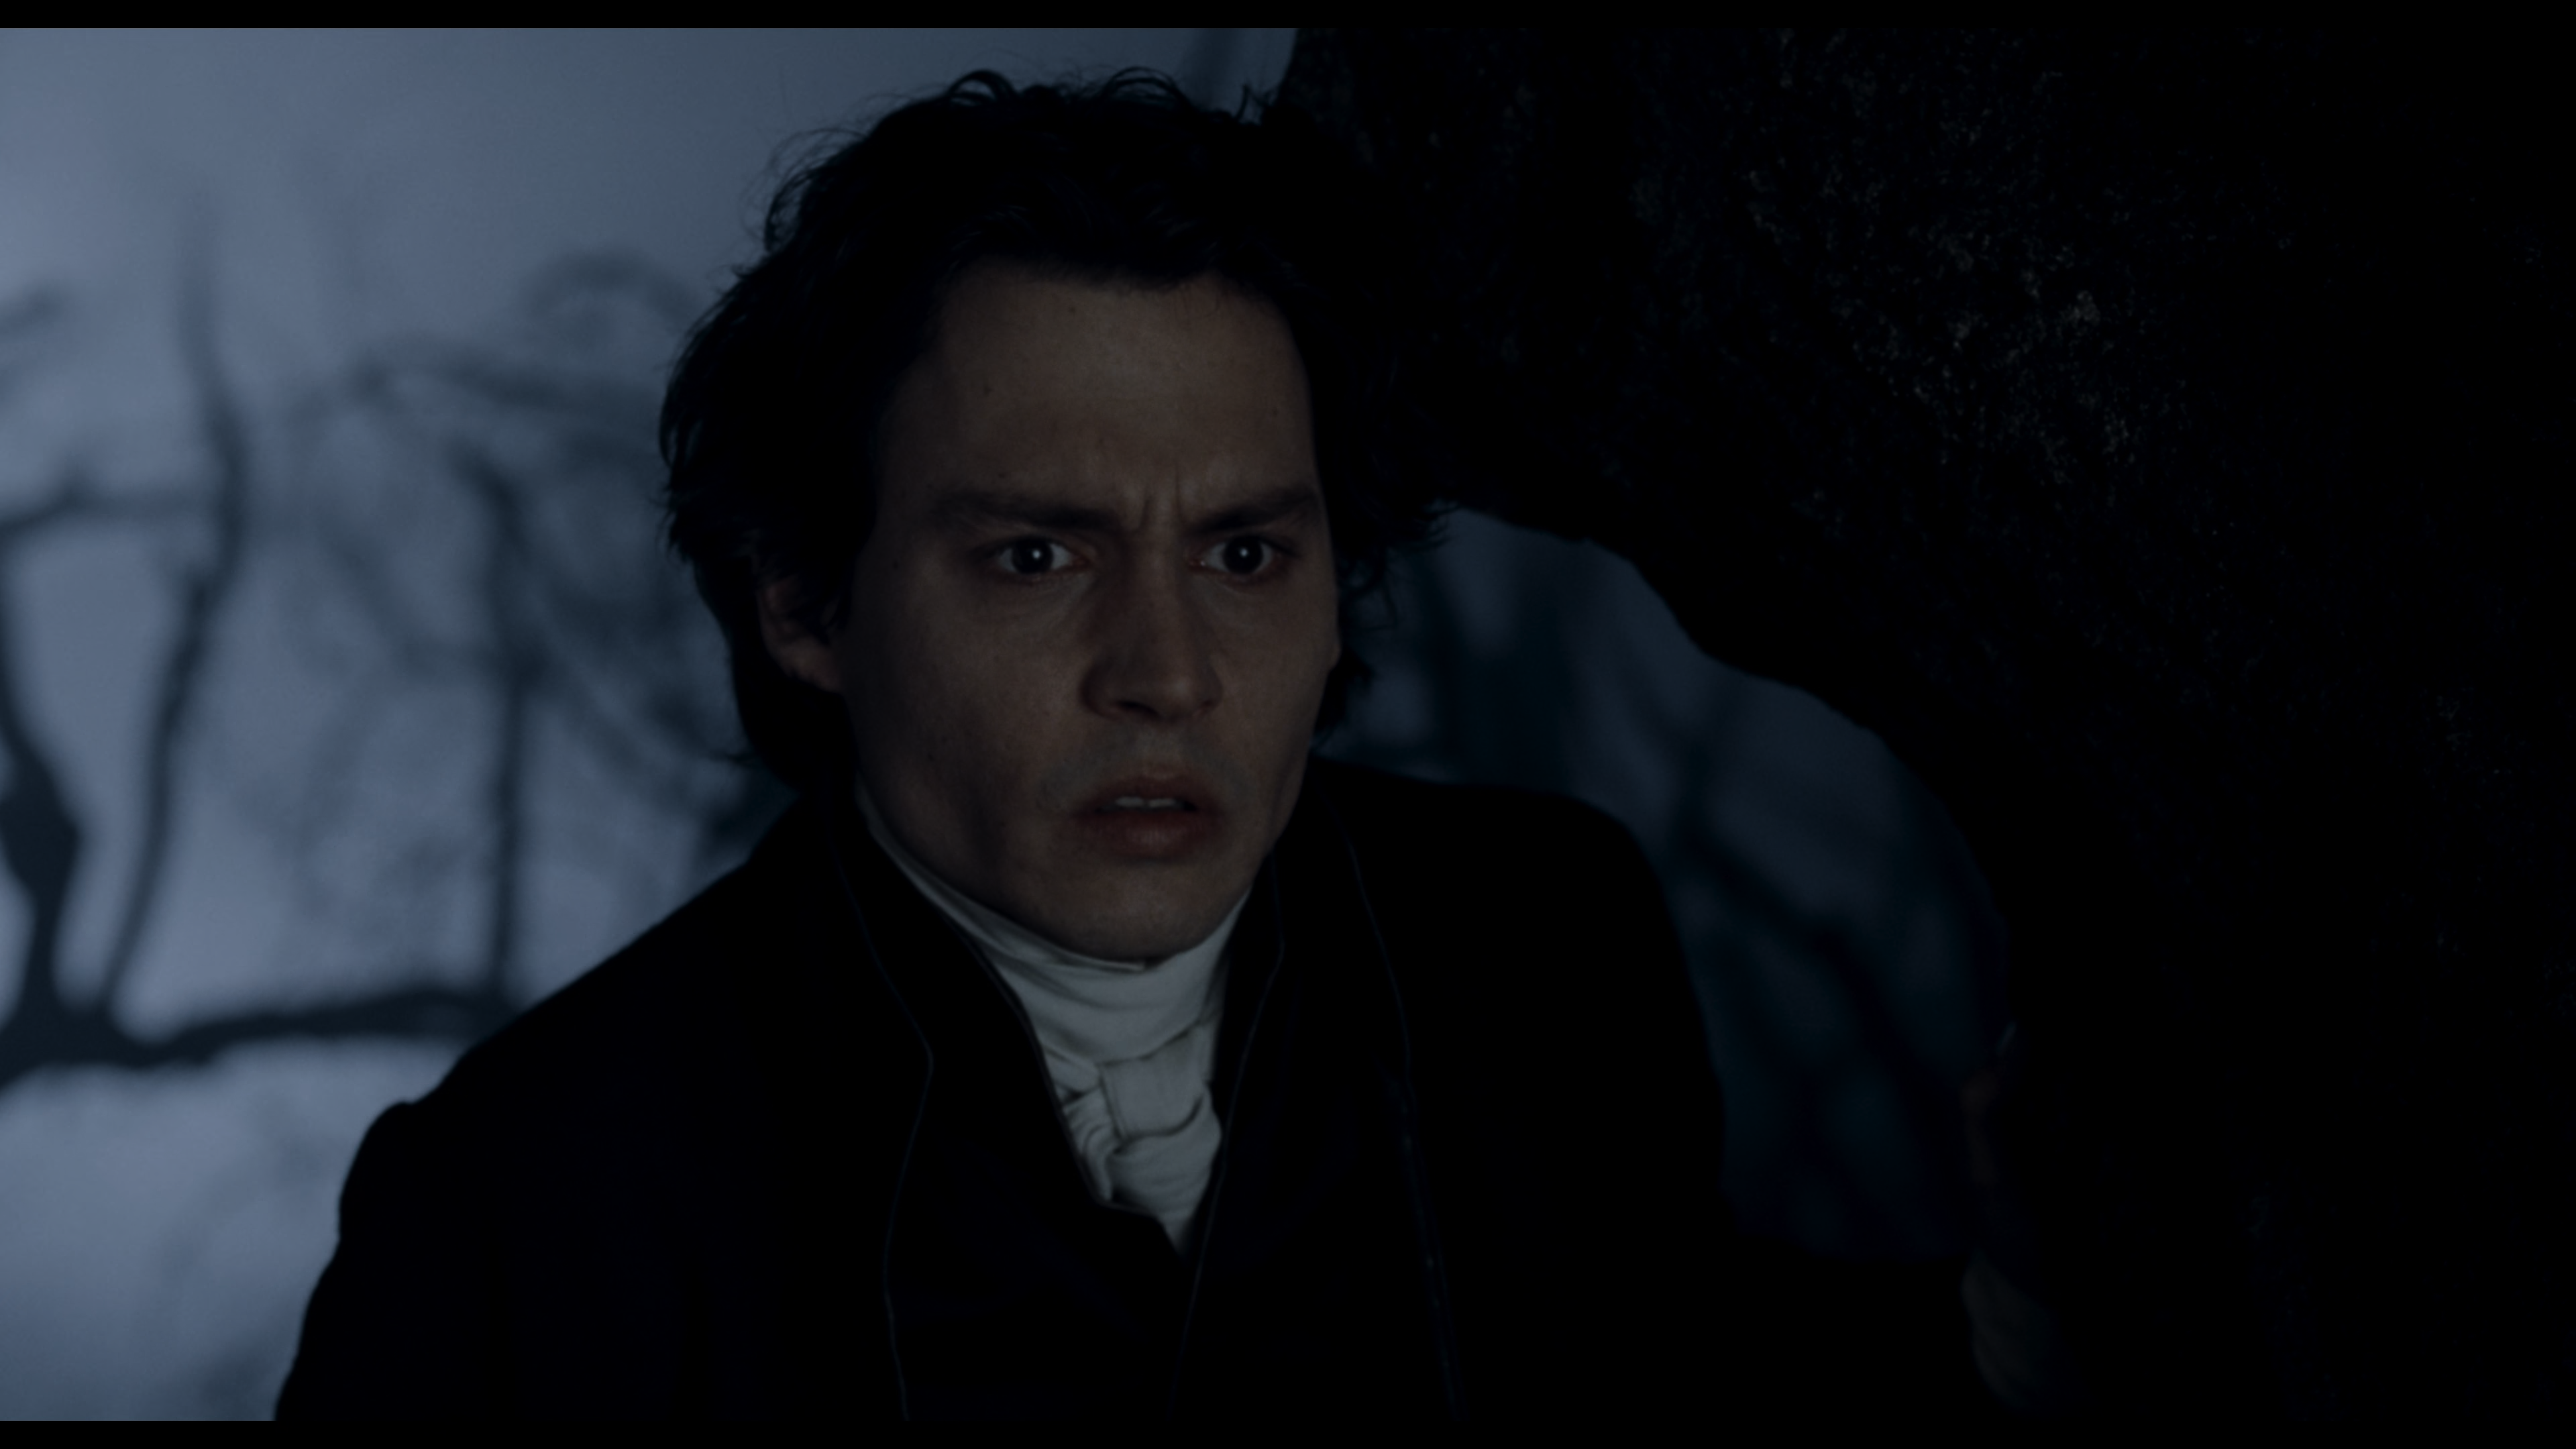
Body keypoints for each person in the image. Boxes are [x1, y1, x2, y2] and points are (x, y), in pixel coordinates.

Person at [277, 70, 2037, 1420]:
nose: (1168, 673)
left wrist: (2027, 1307)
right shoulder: (517, 1207)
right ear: (805, 600)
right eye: (1036, 557)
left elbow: (1683, 1377)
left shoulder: (1541, 941)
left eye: (1245, 554)